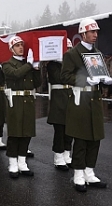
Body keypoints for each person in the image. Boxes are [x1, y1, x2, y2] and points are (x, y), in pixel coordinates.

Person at [61, 18, 112, 192]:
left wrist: (105, 80)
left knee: (95, 138)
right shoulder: (72, 54)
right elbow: (65, 76)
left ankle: (90, 172)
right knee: (81, 139)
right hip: (80, 100)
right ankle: (78, 174)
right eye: (92, 32)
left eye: (96, 32)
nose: (95, 35)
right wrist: (84, 79)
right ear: (83, 33)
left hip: (95, 100)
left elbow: (100, 74)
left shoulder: (97, 53)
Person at [2, 36, 41, 178]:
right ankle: (13, 163)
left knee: (27, 132)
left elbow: (37, 83)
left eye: (21, 45)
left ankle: (22, 162)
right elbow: (16, 74)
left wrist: (36, 68)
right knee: (15, 132)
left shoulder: (28, 64)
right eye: (17, 45)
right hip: (16, 100)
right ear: (11, 48)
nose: (20, 48)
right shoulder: (7, 64)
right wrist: (30, 65)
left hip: (28, 99)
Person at [46, 38, 74, 171]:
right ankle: (58, 156)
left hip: (70, 97)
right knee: (60, 129)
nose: (68, 51)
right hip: (58, 99)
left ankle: (67, 154)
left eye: (69, 48)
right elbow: (60, 78)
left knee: (70, 129)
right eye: (66, 48)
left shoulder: (72, 64)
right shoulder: (53, 65)